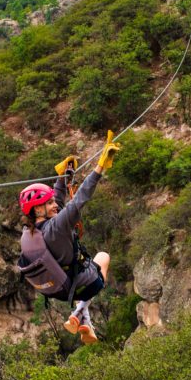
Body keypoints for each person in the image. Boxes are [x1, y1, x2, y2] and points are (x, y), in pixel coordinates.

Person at [18, 131, 121, 344]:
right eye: (48, 204)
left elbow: (57, 198)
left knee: (87, 273)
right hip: (84, 283)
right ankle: (79, 311)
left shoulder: (31, 231)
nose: (54, 204)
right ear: (37, 210)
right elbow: (81, 197)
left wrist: (64, 177)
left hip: (59, 289)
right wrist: (99, 167)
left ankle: (84, 322)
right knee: (103, 257)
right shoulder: (58, 225)